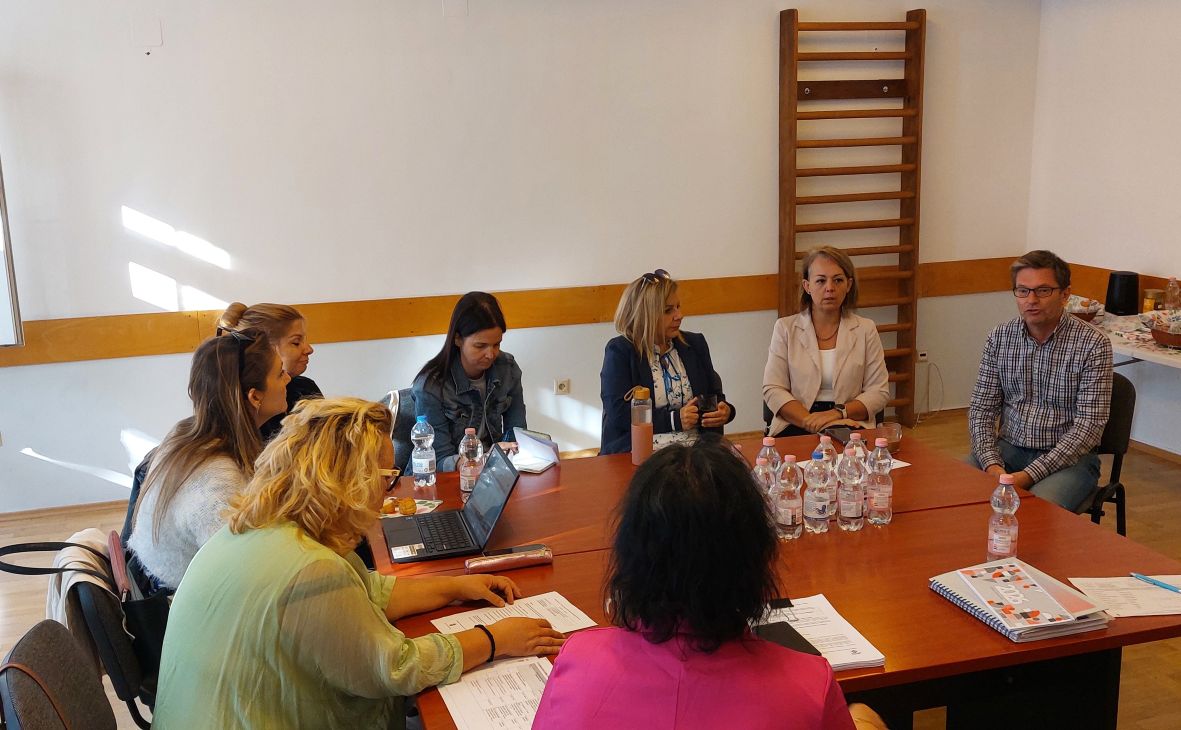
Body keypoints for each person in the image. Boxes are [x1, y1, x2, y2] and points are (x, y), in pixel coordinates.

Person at [150, 397, 564, 730]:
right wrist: (494, 639)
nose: (387, 492)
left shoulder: (263, 529)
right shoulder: (311, 570)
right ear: (348, 481)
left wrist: (457, 586)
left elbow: (369, 591)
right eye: (386, 477)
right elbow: (394, 666)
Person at [532, 437, 884, 729]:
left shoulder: (577, 661)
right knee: (865, 714)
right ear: (756, 557)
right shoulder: (808, 685)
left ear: (631, 553)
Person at [127, 328, 290, 589]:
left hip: (155, 579)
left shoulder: (186, 432)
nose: (288, 378)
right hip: (173, 599)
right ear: (254, 396)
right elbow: (243, 575)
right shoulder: (217, 479)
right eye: (280, 373)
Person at [968, 250, 1112, 510]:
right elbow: (981, 410)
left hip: (1069, 459)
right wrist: (991, 464)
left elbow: (1089, 427)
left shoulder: (1093, 344)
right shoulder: (999, 338)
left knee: (1033, 513)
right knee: (956, 493)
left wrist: (1028, 476)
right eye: (1023, 291)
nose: (1031, 300)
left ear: (1065, 295)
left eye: (1043, 291)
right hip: (1008, 450)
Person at [599, 269, 735, 454]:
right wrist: (674, 420)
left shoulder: (695, 344)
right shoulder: (620, 351)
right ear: (645, 314)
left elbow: (714, 397)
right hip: (641, 450)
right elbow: (619, 414)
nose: (679, 315)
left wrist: (725, 411)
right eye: (668, 310)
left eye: (678, 307)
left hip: (697, 451)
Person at [763, 246, 890, 437]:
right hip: (796, 421)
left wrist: (837, 415)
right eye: (821, 281)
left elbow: (879, 391)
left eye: (838, 280)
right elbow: (773, 388)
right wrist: (811, 421)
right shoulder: (785, 328)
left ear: (848, 285)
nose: (830, 288)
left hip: (849, 420)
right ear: (807, 286)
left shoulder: (866, 329)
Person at [413, 292, 527, 471]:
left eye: (496, 344)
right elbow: (439, 460)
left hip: (492, 470)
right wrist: (483, 459)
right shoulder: (431, 386)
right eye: (480, 346)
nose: (490, 354)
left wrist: (514, 451)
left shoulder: (507, 368)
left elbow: (517, 434)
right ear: (458, 339)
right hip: (447, 476)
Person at [217, 301, 320, 440]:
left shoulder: (306, 388)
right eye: (296, 342)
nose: (309, 349)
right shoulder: (242, 412)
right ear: (266, 349)